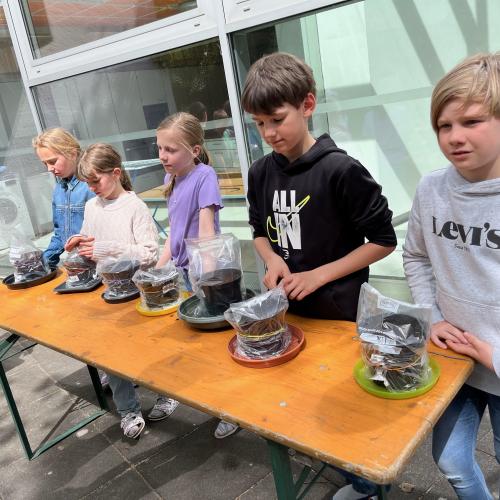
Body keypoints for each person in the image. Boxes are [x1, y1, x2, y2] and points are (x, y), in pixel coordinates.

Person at [242, 52, 397, 500]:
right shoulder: (259, 172)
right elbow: (258, 232)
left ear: (307, 104)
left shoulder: (341, 170)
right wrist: (272, 260)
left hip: (341, 314)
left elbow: (383, 239)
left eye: (277, 119)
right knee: (303, 401)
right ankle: (330, 457)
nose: (270, 133)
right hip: (290, 313)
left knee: (346, 404)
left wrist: (317, 275)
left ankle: (366, 482)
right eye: (259, 124)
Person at [403, 52, 500, 500]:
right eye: (444, 126)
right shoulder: (431, 188)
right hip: (454, 359)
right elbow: (417, 257)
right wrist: (431, 316)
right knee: (451, 460)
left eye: (472, 121)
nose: (454, 138)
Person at [65, 143, 158, 439]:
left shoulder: (134, 207)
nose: (92, 188)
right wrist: (79, 242)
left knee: (147, 351)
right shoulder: (93, 206)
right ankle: (128, 409)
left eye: (96, 180)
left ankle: (167, 393)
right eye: (88, 182)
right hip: (108, 291)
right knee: (110, 351)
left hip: (137, 292)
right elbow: (92, 238)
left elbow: (150, 253)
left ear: (116, 173)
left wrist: (106, 248)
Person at [155, 112, 237, 439]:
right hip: (182, 274)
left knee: (215, 346)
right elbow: (174, 231)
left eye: (171, 149)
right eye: (160, 148)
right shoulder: (170, 179)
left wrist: (207, 279)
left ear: (195, 150)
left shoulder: (205, 176)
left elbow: (206, 232)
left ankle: (230, 408)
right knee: (187, 344)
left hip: (205, 275)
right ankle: (184, 393)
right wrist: (160, 267)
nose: (163, 156)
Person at [32, 128, 94, 268]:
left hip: (100, 264)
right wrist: (42, 263)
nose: (49, 168)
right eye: (45, 163)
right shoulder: (59, 190)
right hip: (77, 266)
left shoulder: (92, 186)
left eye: (52, 161)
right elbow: (60, 235)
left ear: (72, 153)